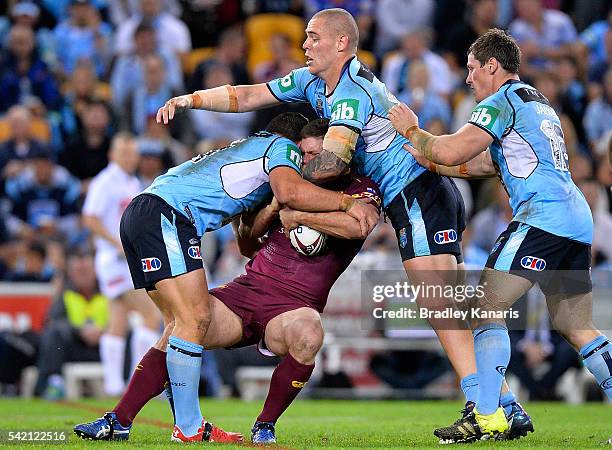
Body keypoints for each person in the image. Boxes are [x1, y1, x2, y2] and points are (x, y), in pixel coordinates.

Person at [155, 7, 530, 439]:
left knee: (437, 304)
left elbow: (332, 163)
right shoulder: (312, 82)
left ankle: (482, 404)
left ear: (342, 43)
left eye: (314, 37)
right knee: (440, 303)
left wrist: (280, 183)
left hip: (417, 193)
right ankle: (501, 403)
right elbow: (250, 95)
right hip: (409, 198)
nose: (305, 44)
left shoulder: (353, 91)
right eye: (306, 37)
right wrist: (191, 99)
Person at [73, 118, 381, 444]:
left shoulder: (360, 187)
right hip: (245, 290)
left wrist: (300, 215)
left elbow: (357, 226)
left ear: (338, 152)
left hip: (293, 306)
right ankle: (124, 418)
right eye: (302, 154)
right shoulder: (283, 179)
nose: (306, 161)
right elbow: (247, 244)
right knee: (186, 324)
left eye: (314, 154)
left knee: (307, 334)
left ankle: (263, 425)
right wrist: (276, 206)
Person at [388, 28, 611, 443]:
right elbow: (480, 166)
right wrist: (429, 160)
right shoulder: (536, 102)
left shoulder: (501, 101)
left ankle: (487, 415)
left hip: (542, 217)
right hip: (575, 218)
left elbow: (454, 151)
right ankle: (504, 412)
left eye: (472, 69)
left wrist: (412, 131)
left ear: (492, 65)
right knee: (575, 324)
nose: (468, 78)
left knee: (484, 307)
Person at [82, 133, 161, 396]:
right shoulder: (105, 182)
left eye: (133, 153)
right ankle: (137, 381)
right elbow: (90, 218)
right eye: (124, 153)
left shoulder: (131, 181)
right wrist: (116, 243)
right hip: (114, 260)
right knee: (151, 313)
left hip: (125, 260)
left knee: (118, 319)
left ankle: (114, 383)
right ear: (112, 155)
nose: (130, 158)